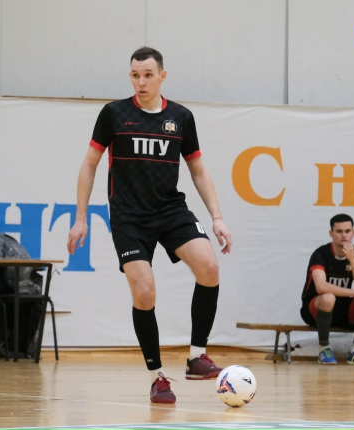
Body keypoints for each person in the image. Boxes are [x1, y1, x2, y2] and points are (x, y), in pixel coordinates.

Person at [67, 47, 232, 404]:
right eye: (135, 75)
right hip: (129, 216)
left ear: (162, 76)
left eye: (147, 75)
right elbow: (89, 165)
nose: (140, 82)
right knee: (144, 291)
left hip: (170, 210)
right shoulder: (114, 114)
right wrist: (80, 219)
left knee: (209, 266)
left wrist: (217, 217)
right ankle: (157, 377)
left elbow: (198, 170)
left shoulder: (181, 118)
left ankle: (196, 358)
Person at [300, 213, 354, 365]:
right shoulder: (320, 254)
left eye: (347, 231)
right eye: (339, 231)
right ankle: (324, 350)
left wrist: (353, 260)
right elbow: (321, 287)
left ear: (353, 233)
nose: (344, 235)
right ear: (331, 233)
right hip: (314, 310)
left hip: (342, 309)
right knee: (328, 297)